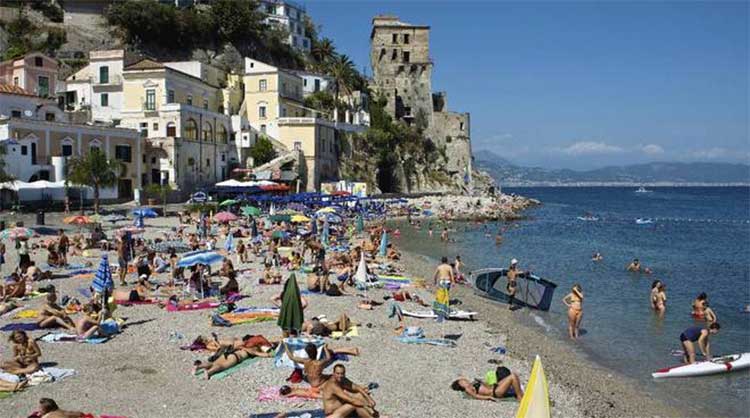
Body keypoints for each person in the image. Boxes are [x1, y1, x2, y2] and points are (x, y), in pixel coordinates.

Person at [284, 343, 360, 389]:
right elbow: (328, 357)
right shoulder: (319, 363)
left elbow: (291, 357)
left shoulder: (305, 361)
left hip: (311, 382)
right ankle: (356, 387)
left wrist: (286, 346)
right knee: (338, 377)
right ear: (316, 352)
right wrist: (325, 348)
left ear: (307, 353)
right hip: (318, 383)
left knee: (325, 375)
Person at [192, 345, 273, 380]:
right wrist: (270, 355)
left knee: (214, 363)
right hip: (235, 357)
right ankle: (209, 372)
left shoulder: (243, 346)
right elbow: (261, 354)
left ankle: (199, 366)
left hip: (228, 353)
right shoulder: (253, 350)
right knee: (222, 366)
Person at [450, 367, 524, 401]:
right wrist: (489, 398)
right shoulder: (468, 389)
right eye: (462, 381)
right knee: (513, 376)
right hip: (495, 392)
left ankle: (519, 393)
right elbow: (476, 396)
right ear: (461, 385)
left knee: (513, 375)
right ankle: (519, 397)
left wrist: (481, 382)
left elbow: (486, 385)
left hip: (495, 386)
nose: (465, 380)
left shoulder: (472, 384)